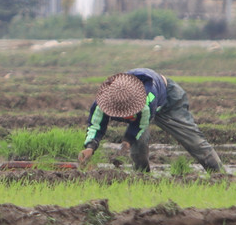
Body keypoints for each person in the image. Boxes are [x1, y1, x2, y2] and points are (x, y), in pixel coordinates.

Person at [77, 69, 223, 173]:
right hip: (144, 107)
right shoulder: (103, 101)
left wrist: (127, 141)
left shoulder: (146, 100)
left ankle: (221, 176)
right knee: (139, 144)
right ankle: (142, 178)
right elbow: (96, 124)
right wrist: (91, 146)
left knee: (193, 140)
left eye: (128, 113)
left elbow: (139, 125)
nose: (125, 118)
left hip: (168, 100)